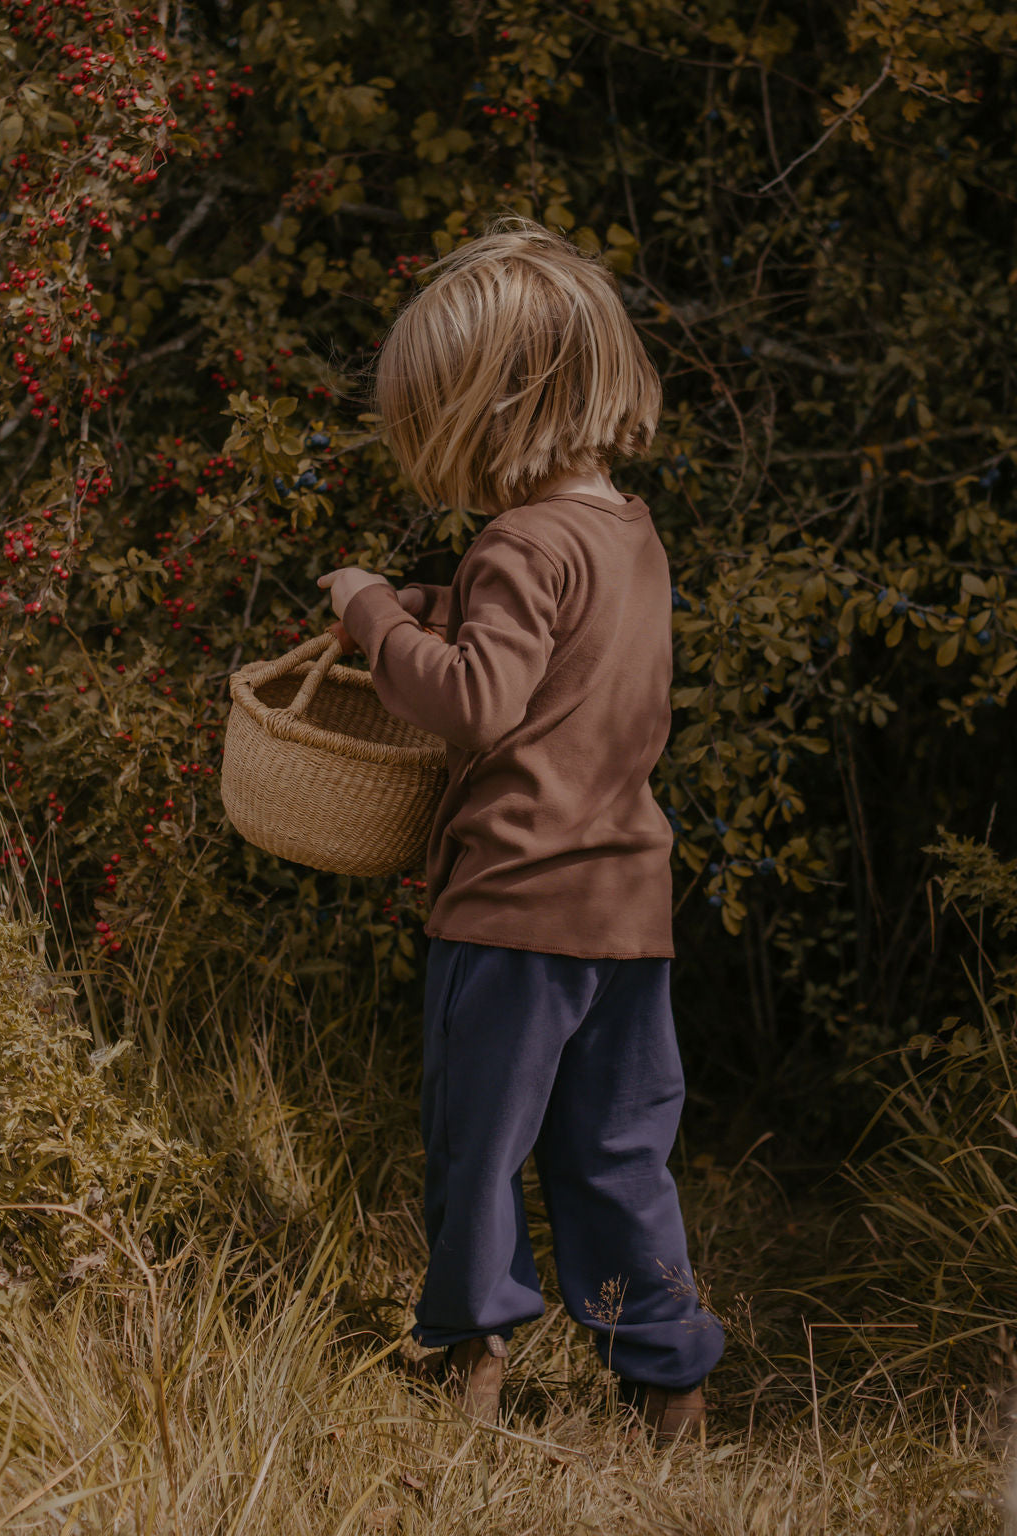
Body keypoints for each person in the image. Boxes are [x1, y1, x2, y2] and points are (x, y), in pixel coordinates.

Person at [317, 214, 725, 1443]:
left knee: (479, 1150)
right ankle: (666, 1381)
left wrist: (375, 613)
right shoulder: (626, 536)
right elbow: (563, 667)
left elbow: (479, 701)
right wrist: (442, 606)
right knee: (616, 1155)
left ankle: (472, 1362)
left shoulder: (516, 539)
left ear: (492, 408)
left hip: (512, 913)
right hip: (626, 917)